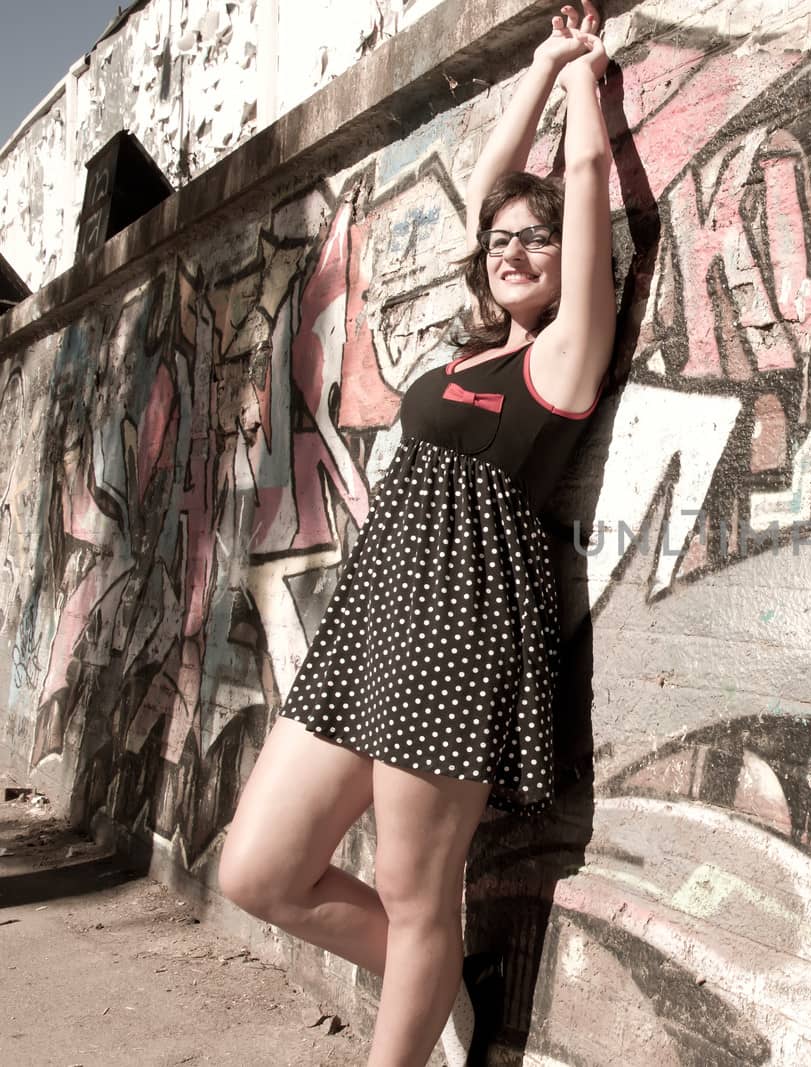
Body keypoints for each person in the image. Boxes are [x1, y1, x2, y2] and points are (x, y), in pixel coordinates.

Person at [216, 4, 616, 1065]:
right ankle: (436, 983)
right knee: (256, 870)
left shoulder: (559, 358)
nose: (514, 249)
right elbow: (490, 184)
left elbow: (575, 194)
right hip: (369, 623)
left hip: (457, 633)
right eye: (501, 242)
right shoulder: (459, 354)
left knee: (417, 892)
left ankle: (419, 1007)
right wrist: (534, 66)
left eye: (537, 241)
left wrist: (582, 80)